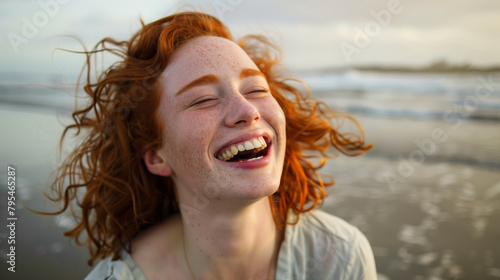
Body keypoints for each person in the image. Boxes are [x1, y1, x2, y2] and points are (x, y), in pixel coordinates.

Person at [45, 11, 376, 279]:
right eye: (202, 99)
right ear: (157, 156)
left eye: (256, 89)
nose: (247, 111)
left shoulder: (338, 259)